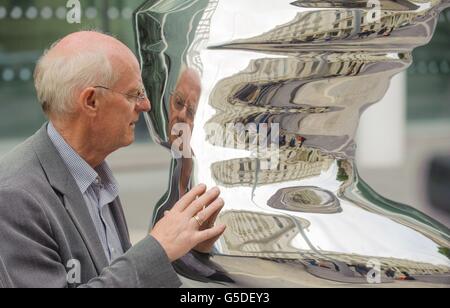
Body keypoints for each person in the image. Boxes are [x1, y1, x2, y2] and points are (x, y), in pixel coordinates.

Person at [0, 31, 226, 288]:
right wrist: (158, 249)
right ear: (91, 101)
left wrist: (186, 243)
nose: (146, 105)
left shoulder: (92, 172)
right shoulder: (14, 196)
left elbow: (118, 276)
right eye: (134, 94)